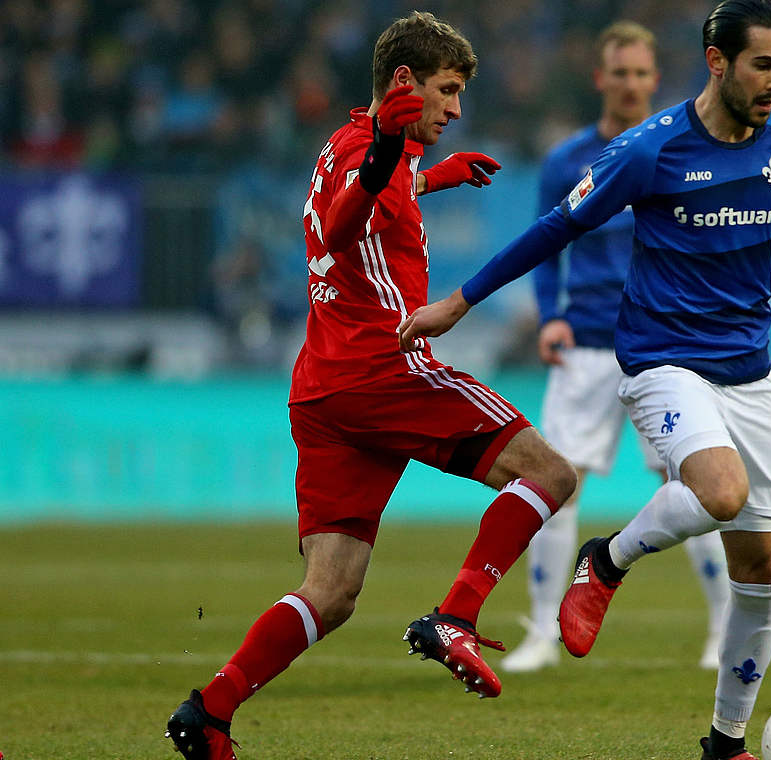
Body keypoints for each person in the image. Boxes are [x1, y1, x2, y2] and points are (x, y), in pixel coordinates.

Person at [397, 2, 771, 758]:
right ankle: (606, 560)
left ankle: (726, 742)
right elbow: (556, 227)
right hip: (661, 360)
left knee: (762, 571)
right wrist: (460, 303)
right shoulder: (650, 151)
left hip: (747, 374)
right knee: (719, 491)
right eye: (763, 65)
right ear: (716, 61)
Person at [164, 12, 578, 760]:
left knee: (331, 592)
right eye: (446, 91)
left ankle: (210, 711)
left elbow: (360, 198)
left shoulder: (344, 147)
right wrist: (396, 152)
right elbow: (348, 216)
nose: (455, 109)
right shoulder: (371, 152)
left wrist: (429, 175)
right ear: (402, 84)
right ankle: (455, 614)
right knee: (550, 474)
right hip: (384, 368)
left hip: (324, 390)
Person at [502, 20, 731, 675]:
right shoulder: (566, 162)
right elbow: (547, 248)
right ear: (600, 79)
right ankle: (543, 634)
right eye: (619, 73)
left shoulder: (679, 153)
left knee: (691, 484)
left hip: (663, 345)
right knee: (556, 485)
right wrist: (549, 316)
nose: (630, 84)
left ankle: (721, 628)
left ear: (655, 80)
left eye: (641, 73)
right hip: (588, 345)